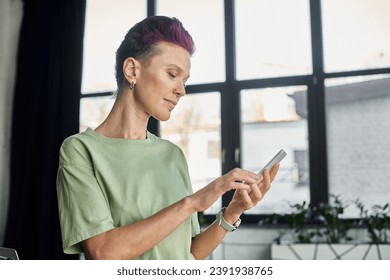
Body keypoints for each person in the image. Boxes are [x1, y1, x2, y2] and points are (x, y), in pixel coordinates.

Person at [56, 15, 280, 260]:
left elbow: (189, 254)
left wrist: (233, 212)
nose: (181, 91)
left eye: (184, 81)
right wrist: (192, 202)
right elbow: (104, 252)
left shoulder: (172, 155)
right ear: (132, 70)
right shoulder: (80, 151)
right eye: (172, 74)